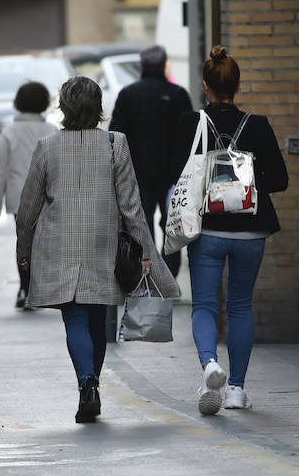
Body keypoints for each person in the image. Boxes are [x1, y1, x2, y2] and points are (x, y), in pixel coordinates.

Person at [16, 75, 180, 424]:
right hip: (104, 247)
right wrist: (146, 251)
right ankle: (92, 385)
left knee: (74, 318)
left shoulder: (47, 146)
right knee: (97, 320)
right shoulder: (114, 144)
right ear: (98, 107)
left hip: (59, 247)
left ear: (63, 107)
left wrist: (23, 251)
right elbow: (132, 206)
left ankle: (86, 383)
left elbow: (27, 209)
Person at [171, 45, 288, 416]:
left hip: (206, 230)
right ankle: (237, 389)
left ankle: (210, 366)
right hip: (251, 231)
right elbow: (281, 181)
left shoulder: (190, 123)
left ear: (205, 84)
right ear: (236, 85)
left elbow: (178, 174)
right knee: (240, 306)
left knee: (204, 305)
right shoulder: (258, 125)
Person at [109, 44, 192, 278]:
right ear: (164, 65)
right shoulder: (177, 94)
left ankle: (144, 272)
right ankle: (168, 273)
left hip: (136, 173)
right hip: (171, 175)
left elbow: (115, 135)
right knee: (171, 224)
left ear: (142, 65)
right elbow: (188, 137)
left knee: (139, 223)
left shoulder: (128, 94)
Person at [0, 81, 59, 308]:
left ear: (18, 103)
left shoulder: (9, 132)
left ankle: (25, 289)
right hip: (49, 196)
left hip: (20, 198)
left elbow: (0, 172)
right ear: (44, 103)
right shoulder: (52, 131)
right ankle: (45, 289)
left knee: (24, 244)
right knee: (46, 244)